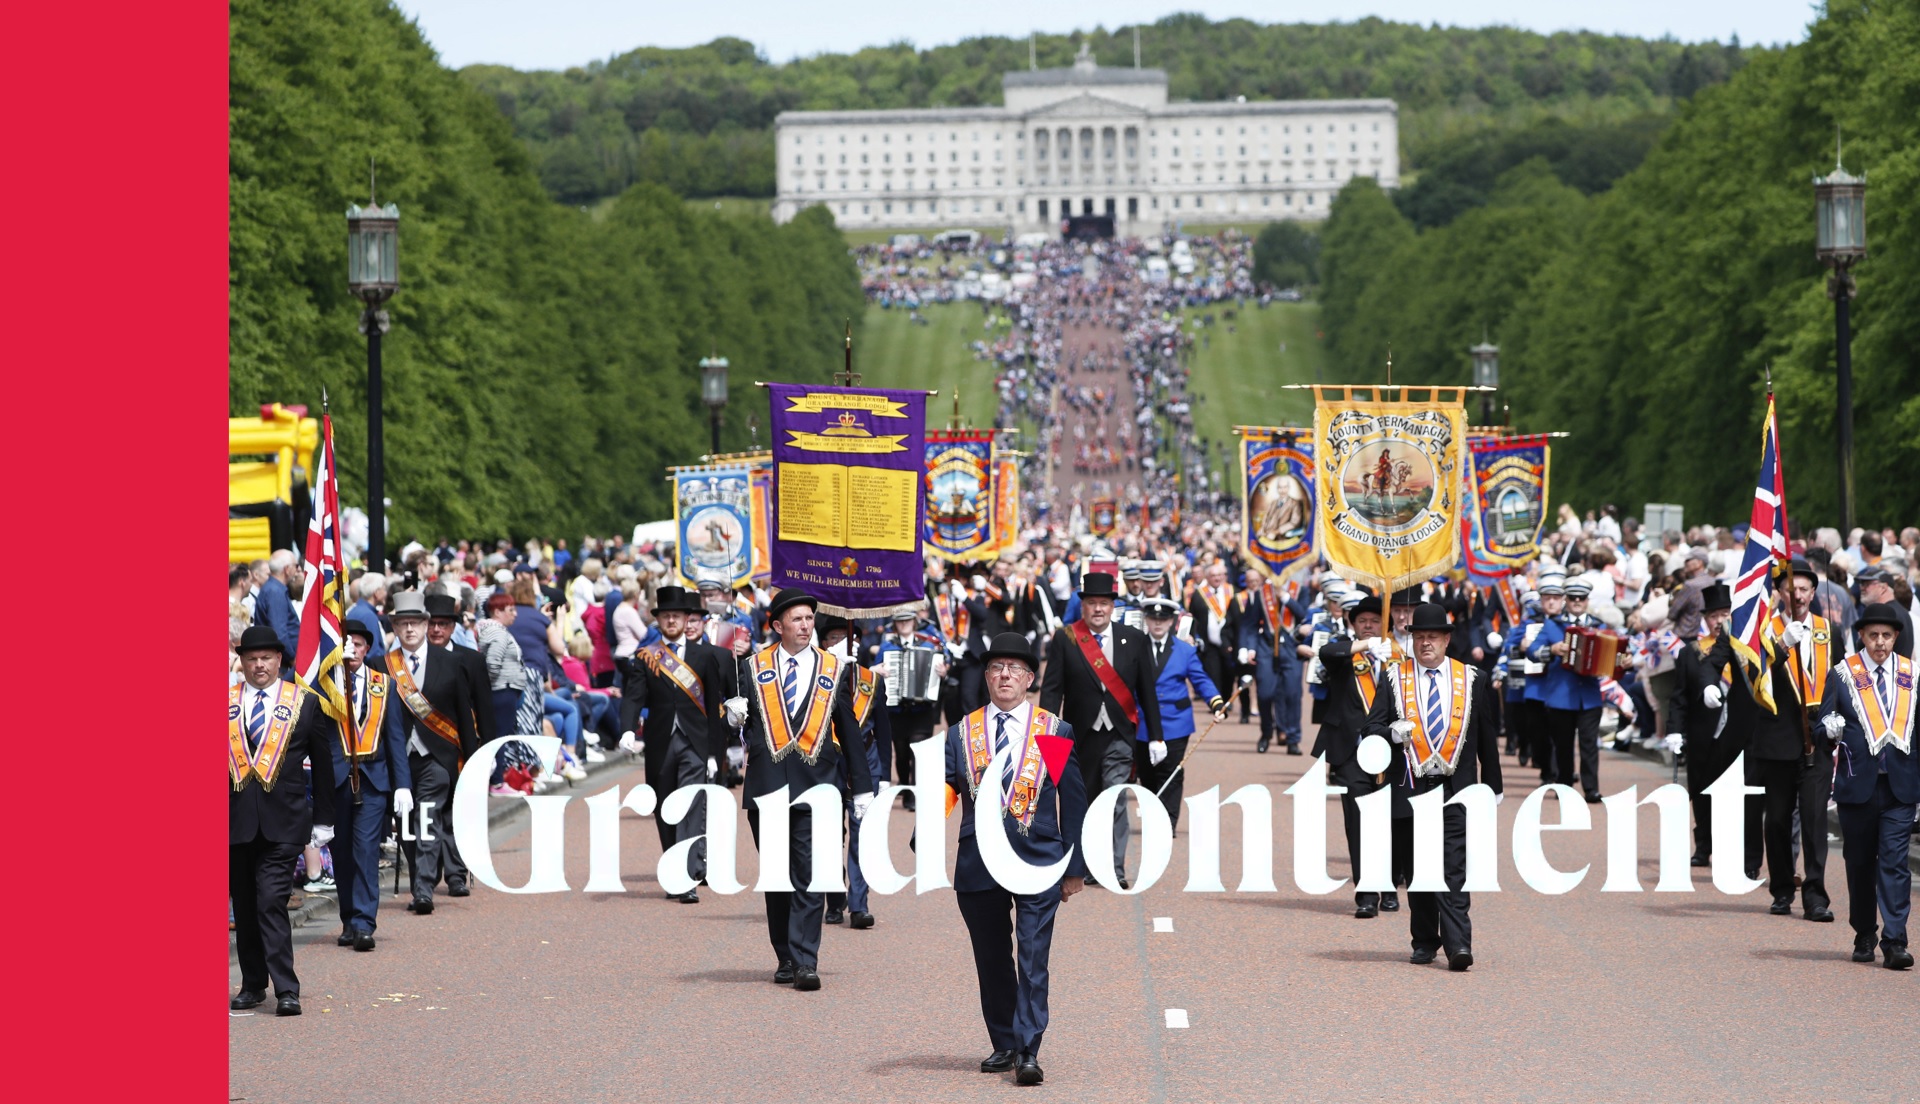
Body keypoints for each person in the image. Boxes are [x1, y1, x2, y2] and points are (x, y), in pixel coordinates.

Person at [946, 631, 1087, 1086]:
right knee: (991, 957)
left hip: (1038, 859)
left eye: (1014, 670)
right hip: (978, 861)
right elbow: (948, 789)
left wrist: (1075, 866)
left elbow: (1074, 798)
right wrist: (924, 832)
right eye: (996, 668)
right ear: (986, 677)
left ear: (1029, 679)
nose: (1005, 676)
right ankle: (1004, 1041)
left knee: (1032, 955)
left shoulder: (1053, 729)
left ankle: (1029, 1049)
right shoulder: (961, 732)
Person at [728, 588, 874, 991]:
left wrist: (861, 786)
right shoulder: (752, 667)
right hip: (768, 785)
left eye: (810, 618)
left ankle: (807, 959)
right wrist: (733, 718)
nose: (806, 626)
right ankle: (785, 956)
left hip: (819, 785)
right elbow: (741, 724)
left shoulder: (835, 667)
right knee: (778, 876)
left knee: (810, 872)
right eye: (797, 619)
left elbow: (848, 728)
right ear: (777, 626)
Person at [1362, 603, 1504, 971]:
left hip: (1456, 787)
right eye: (1420, 636)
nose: (1426, 643)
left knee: (1453, 867)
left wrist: (1493, 786)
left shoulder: (1473, 678)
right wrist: (1391, 733)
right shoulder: (1395, 677)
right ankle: (1425, 940)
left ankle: (1459, 945)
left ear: (1446, 639)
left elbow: (1487, 736)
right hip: (1410, 786)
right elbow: (1371, 728)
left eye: (1433, 637)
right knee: (1418, 869)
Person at [229, 625, 336, 1016]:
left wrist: (325, 819)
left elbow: (324, 766)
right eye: (252, 659)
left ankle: (286, 987)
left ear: (279, 661)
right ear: (242, 663)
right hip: (235, 822)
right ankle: (253, 984)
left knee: (270, 900)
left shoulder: (304, 703)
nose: (259, 665)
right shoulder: (226, 702)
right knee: (244, 905)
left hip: (285, 822)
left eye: (266, 658)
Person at [1038, 571, 1162, 888]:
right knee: (1087, 803)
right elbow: (1052, 692)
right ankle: (1091, 863)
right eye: (1092, 603)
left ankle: (1116, 868)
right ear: (1084, 606)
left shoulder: (1133, 639)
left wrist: (1156, 735)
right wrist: (1047, 736)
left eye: (1103, 603)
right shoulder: (1066, 639)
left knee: (1116, 797)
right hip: (1080, 734)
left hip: (1119, 735)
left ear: (1112, 607)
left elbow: (1147, 691)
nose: (1098, 609)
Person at [1816, 602, 1917, 970]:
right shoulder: (1843, 674)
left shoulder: (1912, 674)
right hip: (1858, 786)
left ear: (1896, 637)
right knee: (1859, 864)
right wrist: (1827, 727)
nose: (1880, 643)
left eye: (1887, 636)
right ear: (1861, 636)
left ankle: (1895, 941)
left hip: (1900, 787)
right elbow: (1822, 721)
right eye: (1873, 635)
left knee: (1894, 864)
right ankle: (1864, 933)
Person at [621, 585, 730, 902]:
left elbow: (712, 706)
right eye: (666, 616)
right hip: (659, 741)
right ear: (659, 621)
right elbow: (633, 696)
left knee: (690, 806)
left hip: (694, 743)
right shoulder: (647, 657)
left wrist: (714, 751)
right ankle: (673, 868)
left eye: (677, 616)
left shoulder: (705, 655)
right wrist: (628, 729)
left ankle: (685, 878)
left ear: (687, 619)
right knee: (664, 808)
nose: (671, 621)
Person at [1749, 559, 1838, 921]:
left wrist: (1836, 715)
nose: (1798, 595)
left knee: (1816, 819)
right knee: (1778, 820)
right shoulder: (1766, 630)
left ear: (1813, 593)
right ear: (1781, 592)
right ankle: (1783, 888)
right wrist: (1781, 646)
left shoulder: (1827, 629)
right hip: (1779, 736)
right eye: (1791, 589)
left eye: (1804, 589)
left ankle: (1815, 896)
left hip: (1817, 737)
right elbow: (1754, 679)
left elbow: (1841, 674)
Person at [1310, 594, 1405, 918]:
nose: (1368, 624)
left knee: (1392, 821)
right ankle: (1365, 892)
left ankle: (1390, 885)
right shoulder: (1345, 651)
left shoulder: (1399, 656)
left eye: (1374, 621)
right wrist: (1364, 646)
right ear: (1353, 624)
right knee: (1358, 821)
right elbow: (1325, 653)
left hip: (1391, 751)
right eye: (1362, 620)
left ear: (1385, 624)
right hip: (1351, 751)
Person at [386, 591, 480, 914]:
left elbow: (464, 716)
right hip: (398, 761)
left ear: (427, 625)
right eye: (402, 623)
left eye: (415, 622)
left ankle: (423, 888)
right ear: (395, 628)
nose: (409, 629)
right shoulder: (383, 666)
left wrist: (473, 761)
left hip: (438, 758)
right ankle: (421, 876)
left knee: (427, 815)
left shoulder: (451, 663)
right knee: (406, 826)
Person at [325, 618, 413, 951]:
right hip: (336, 781)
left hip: (374, 782)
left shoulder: (384, 685)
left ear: (367, 648)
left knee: (365, 851)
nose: (354, 650)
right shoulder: (325, 685)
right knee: (342, 853)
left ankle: (364, 922)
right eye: (347, 644)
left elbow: (395, 738)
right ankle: (348, 918)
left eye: (359, 644)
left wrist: (402, 784)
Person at [816, 613, 890, 929]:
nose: (841, 644)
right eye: (833, 639)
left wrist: (885, 774)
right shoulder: (816, 680)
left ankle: (859, 903)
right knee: (830, 834)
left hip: (867, 762)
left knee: (863, 834)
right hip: (829, 764)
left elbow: (884, 730)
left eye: (846, 638)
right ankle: (834, 899)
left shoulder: (872, 681)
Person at [1136, 596, 1225, 841]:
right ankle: (1153, 812)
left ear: (1172, 622)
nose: (1157, 623)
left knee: (1172, 772)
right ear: (1146, 619)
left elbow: (1200, 679)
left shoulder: (1185, 650)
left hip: (1175, 721)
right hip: (1142, 721)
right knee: (1147, 772)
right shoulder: (1134, 647)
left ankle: (1167, 822)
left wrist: (1215, 701)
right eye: (1153, 618)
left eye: (1162, 619)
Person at [1668, 584, 1738, 867]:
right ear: (1705, 620)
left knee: (1737, 792)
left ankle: (1736, 846)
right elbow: (1679, 696)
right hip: (1702, 731)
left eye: (1725, 614)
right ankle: (1703, 845)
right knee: (1701, 789)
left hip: (1737, 730)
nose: (1719, 621)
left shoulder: (1743, 649)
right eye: (1713, 616)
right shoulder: (1691, 652)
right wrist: (1674, 729)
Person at [1532, 577, 1606, 802]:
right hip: (1561, 695)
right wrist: (1552, 649)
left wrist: (1624, 660)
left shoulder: (1599, 625)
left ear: (1586, 601)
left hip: (1589, 695)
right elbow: (1533, 650)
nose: (1576, 602)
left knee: (1589, 744)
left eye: (1580, 598)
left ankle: (1591, 789)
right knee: (1563, 745)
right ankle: (1564, 784)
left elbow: (1619, 652)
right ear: (1566, 600)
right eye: (1572, 598)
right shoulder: (1553, 624)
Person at [877, 606, 945, 808]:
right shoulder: (887, 647)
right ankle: (905, 785)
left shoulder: (929, 643)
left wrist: (943, 670)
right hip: (897, 709)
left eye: (908, 620)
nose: (904, 624)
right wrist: (880, 671)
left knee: (917, 752)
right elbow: (876, 668)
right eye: (900, 621)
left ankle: (914, 796)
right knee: (901, 753)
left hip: (922, 709)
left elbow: (945, 659)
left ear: (914, 622)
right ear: (895, 625)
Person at [1240, 571, 1306, 754]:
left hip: (1292, 648)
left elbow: (1305, 616)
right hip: (1266, 648)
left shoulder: (1300, 590)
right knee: (1265, 694)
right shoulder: (1261, 593)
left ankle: (1293, 738)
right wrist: (1249, 648)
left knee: (1292, 694)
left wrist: (1286, 598)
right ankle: (1266, 733)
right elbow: (1250, 625)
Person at [1186, 560, 1240, 722]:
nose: (1216, 578)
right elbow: (1193, 617)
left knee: (1229, 673)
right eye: (1213, 575)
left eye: (1219, 575)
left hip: (1228, 641)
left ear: (1225, 576)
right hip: (1208, 642)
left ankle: (1226, 698)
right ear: (1207, 577)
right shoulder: (1199, 594)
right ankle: (1217, 702)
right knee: (1212, 671)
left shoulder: (1233, 592)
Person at [254, 548, 304, 668]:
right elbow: (279, 633)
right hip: (284, 664)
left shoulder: (274, 589)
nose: (297, 570)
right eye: (295, 566)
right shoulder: (275, 592)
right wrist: (293, 659)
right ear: (287, 569)